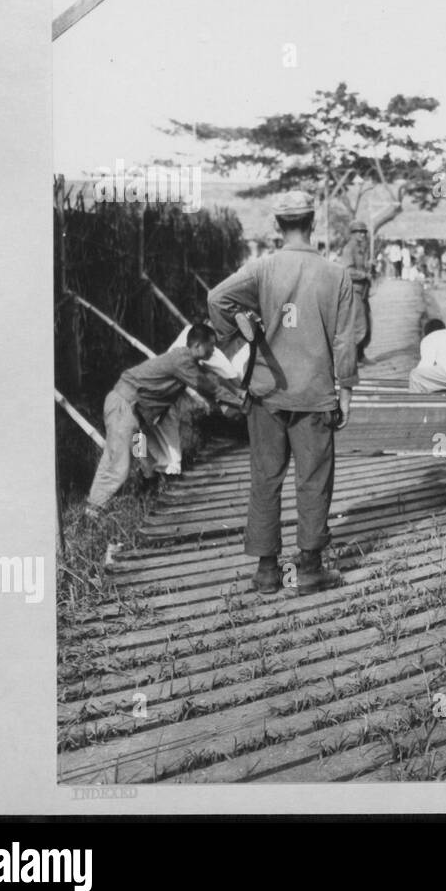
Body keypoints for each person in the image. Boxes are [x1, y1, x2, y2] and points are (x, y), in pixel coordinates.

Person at [208, 190, 359, 596]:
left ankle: (267, 571)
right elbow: (345, 340)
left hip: (266, 392)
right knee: (313, 480)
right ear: (311, 223)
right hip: (315, 393)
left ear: (279, 225)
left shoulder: (260, 269)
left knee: (265, 477)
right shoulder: (337, 275)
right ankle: (309, 568)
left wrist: (239, 329)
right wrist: (345, 391)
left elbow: (215, 299)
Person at [84, 324, 238, 518]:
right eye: (211, 346)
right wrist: (240, 401)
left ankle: (139, 497)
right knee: (119, 466)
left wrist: (230, 398)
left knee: (138, 458)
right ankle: (94, 512)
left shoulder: (187, 362)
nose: (213, 350)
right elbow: (209, 388)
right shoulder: (182, 360)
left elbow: (209, 381)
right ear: (198, 345)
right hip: (124, 408)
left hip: (134, 415)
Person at [339, 221, 373, 363]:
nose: (362, 234)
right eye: (359, 232)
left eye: (364, 232)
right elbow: (347, 271)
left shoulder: (362, 248)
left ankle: (360, 355)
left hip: (363, 291)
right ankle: (351, 359)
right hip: (354, 291)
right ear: (352, 234)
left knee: (367, 323)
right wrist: (363, 275)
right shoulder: (349, 249)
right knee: (359, 324)